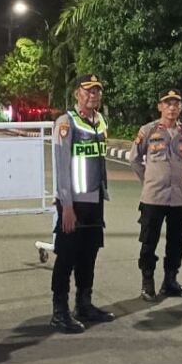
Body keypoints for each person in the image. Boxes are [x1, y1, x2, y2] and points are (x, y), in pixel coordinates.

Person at [48, 73, 116, 333]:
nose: (93, 95)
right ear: (77, 93)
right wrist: (66, 205)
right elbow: (62, 167)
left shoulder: (99, 121)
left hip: (95, 199)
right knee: (66, 257)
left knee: (89, 254)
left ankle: (84, 303)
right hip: (73, 202)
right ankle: (59, 311)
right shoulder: (66, 123)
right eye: (88, 90)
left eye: (97, 90)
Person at [130, 88, 182, 302]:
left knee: (177, 242)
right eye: (167, 103)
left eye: (176, 103)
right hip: (153, 197)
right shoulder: (148, 131)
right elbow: (134, 158)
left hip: (179, 197)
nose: (172, 107)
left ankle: (170, 281)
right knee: (149, 241)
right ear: (160, 106)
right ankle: (147, 283)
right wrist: (148, 180)